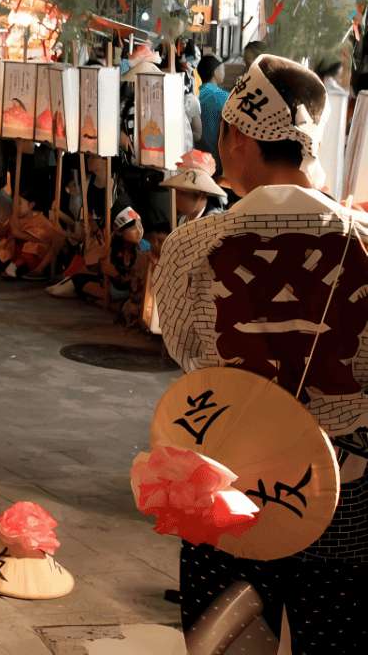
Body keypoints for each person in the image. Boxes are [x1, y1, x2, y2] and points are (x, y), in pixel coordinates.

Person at [154, 54, 368, 652]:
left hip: (228, 485)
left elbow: (184, 351)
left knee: (225, 647)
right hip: (343, 496)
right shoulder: (363, 242)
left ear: (238, 137)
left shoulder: (191, 246)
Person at [196, 55, 229, 161]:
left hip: (195, 155)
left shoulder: (194, 94)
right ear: (215, 72)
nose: (225, 72)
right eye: (223, 69)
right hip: (216, 158)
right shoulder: (226, 97)